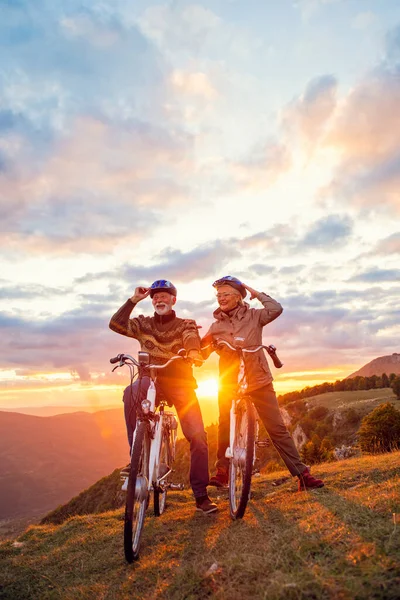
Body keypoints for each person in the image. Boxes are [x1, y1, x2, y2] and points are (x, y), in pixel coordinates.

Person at [201, 275, 324, 492]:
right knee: (224, 425)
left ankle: (302, 475)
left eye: (226, 293)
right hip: (228, 382)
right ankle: (223, 470)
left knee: (276, 428)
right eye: (218, 294)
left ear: (239, 297)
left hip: (259, 380)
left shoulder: (255, 316)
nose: (221, 298)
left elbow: (276, 308)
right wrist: (195, 342)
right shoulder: (216, 326)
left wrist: (255, 292)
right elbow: (201, 353)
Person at [109, 279, 217, 514]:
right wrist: (133, 300)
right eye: (155, 296)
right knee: (130, 393)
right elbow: (116, 324)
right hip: (151, 380)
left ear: (173, 300)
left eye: (164, 296)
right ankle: (136, 457)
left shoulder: (185, 323)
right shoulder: (143, 324)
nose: (159, 299)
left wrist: (193, 352)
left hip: (180, 383)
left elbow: (190, 338)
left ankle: (200, 495)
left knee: (198, 436)